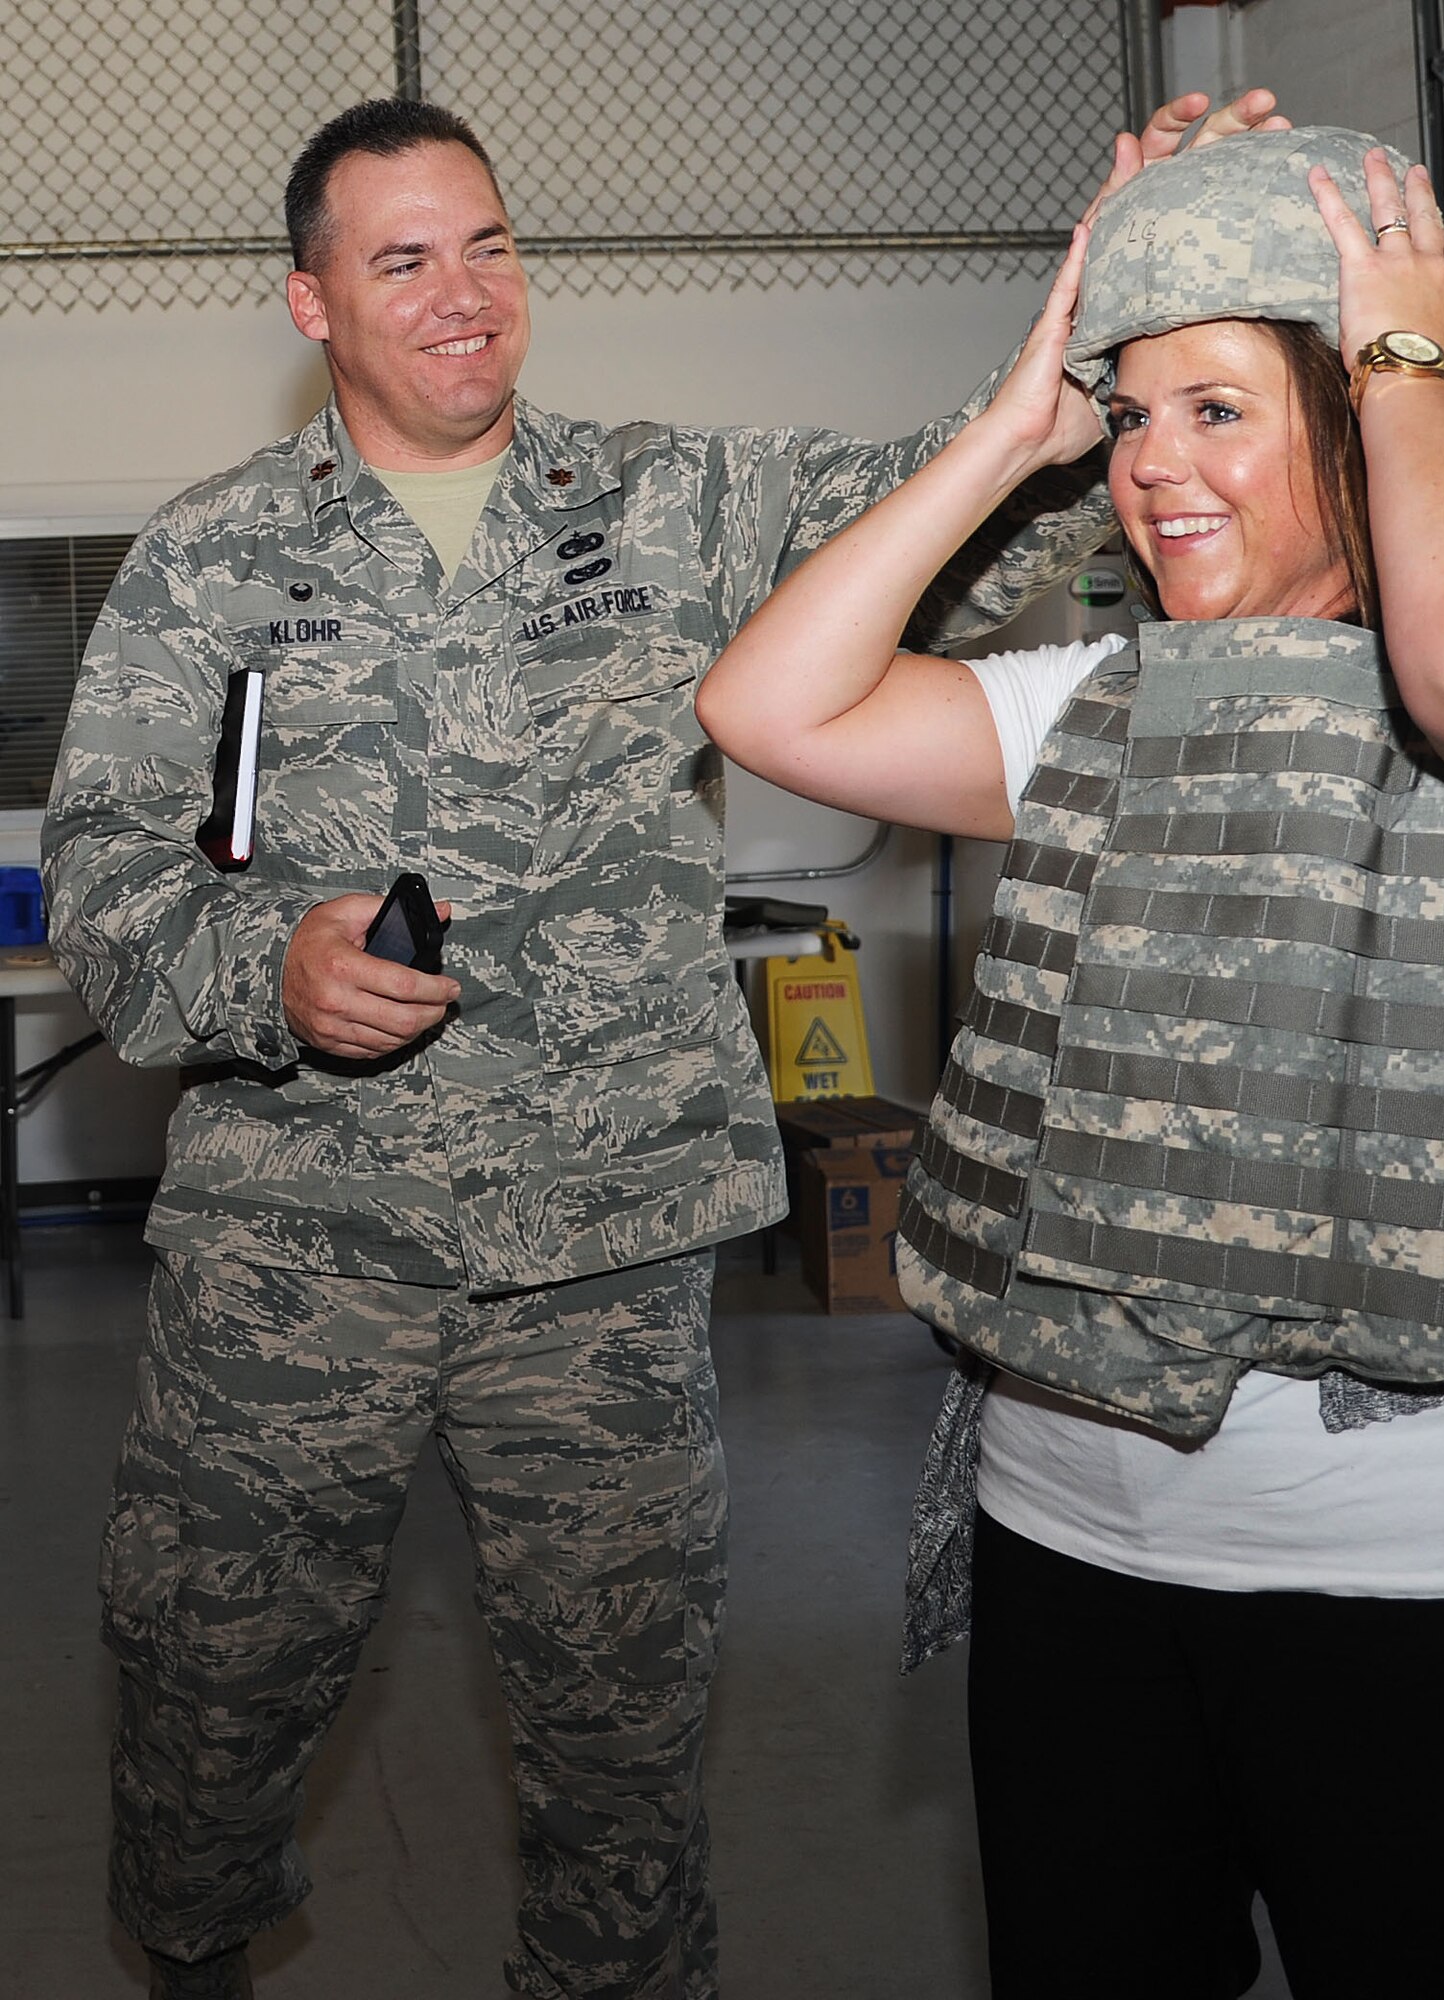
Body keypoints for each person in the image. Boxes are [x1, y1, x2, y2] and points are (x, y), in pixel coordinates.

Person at [42, 89, 1292, 2000]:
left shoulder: (672, 502)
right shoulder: (208, 567)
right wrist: (260, 968)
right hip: (298, 1260)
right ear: (310, 305)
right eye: (403, 261)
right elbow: (106, 886)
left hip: (604, 1256)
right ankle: (194, 1957)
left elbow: (954, 499)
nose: (465, 296)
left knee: (623, 1743)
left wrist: (1112, 287)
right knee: (207, 1687)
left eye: (491, 246)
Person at [695, 128, 1444, 2000]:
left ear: (1368, 410)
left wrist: (1411, 358)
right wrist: (1023, 423)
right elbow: (770, 705)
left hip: (1403, 1586)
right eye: (1134, 408)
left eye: (1222, 409)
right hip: (1067, 1543)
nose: (1155, 463)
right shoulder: (1096, 698)